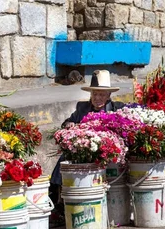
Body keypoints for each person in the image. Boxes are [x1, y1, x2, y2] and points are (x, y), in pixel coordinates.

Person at [49, 70, 125, 210]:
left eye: (101, 94)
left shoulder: (116, 109)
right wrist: (69, 125)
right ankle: (56, 197)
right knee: (65, 157)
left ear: (108, 96)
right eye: (94, 94)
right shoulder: (82, 108)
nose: (97, 98)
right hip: (83, 150)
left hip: (105, 151)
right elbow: (68, 121)